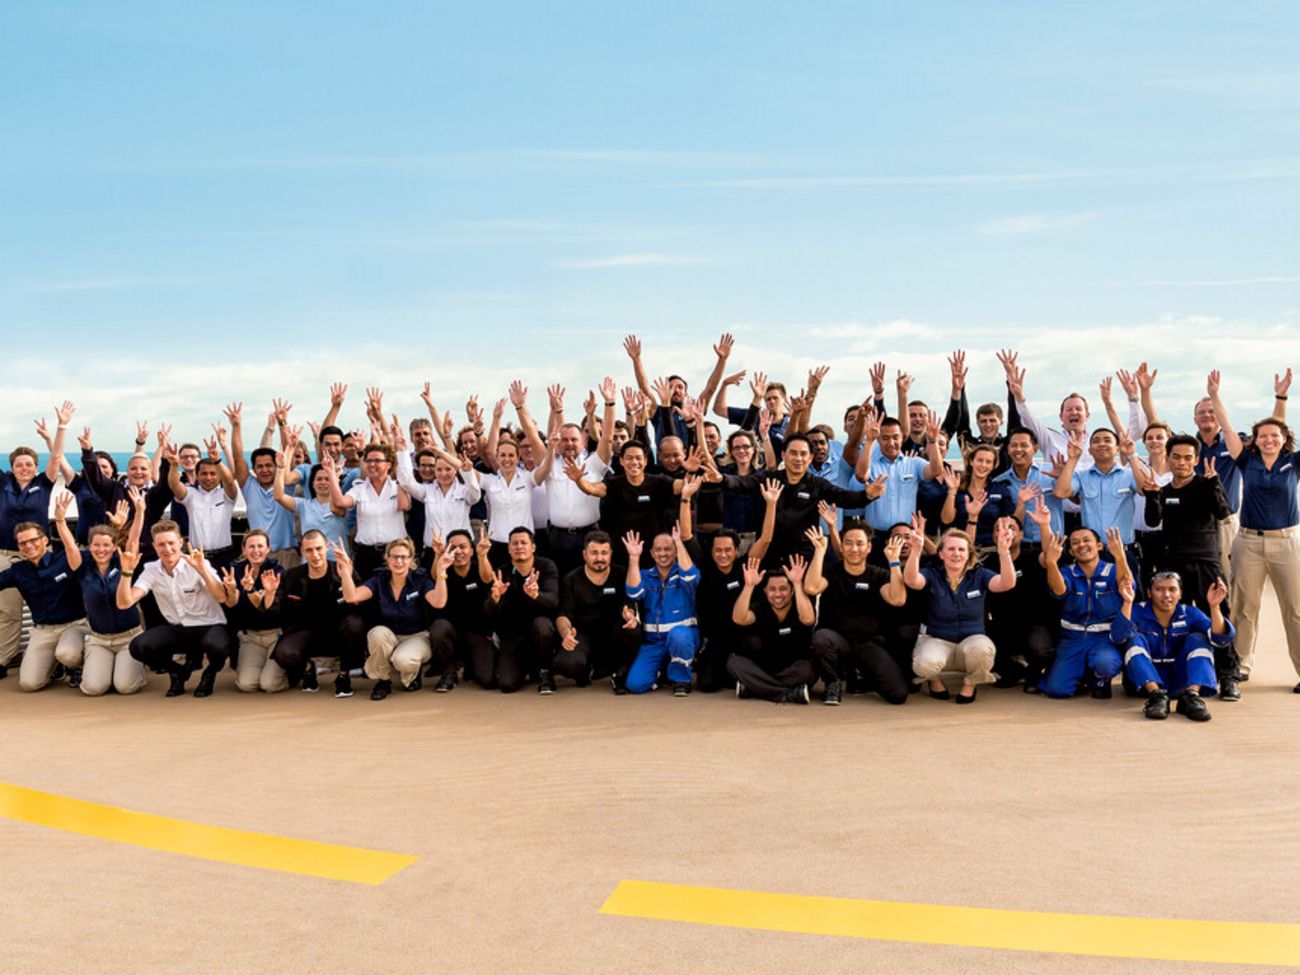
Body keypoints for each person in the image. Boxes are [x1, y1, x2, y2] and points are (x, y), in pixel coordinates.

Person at [1205, 371, 1300, 686]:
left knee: (1296, 611)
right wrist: (1215, 395)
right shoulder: (1247, 461)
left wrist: (1281, 397)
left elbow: (1278, 425)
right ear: (1255, 441)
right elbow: (1228, 427)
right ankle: (1241, 665)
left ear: (1285, 439)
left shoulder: (1293, 463)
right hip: (1248, 542)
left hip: (1287, 543)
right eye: (1263, 436)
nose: (1269, 439)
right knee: (1245, 607)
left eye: (1275, 436)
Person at [1144, 434, 1239, 698]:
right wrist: (1152, 495)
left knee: (1219, 615)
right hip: (1173, 565)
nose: (1182, 463)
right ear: (1168, 458)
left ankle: (1228, 676)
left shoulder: (1206, 485)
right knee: (1175, 619)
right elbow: (1152, 521)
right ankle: (1183, 672)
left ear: (1196, 460)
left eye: (1188, 458)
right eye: (1176, 457)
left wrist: (1215, 483)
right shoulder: (1164, 490)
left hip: (1206, 562)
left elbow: (1223, 512)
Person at [903, 519, 1017, 704]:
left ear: (968, 554)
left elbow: (1006, 583)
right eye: (951, 549)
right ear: (941, 554)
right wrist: (916, 550)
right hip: (938, 639)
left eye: (961, 549)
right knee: (924, 664)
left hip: (972, 639)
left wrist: (1004, 552)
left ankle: (970, 685)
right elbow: (912, 580)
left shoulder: (980, 575)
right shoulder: (932, 573)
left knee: (983, 649)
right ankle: (934, 680)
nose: (956, 553)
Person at [681, 478, 779, 692]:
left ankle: (745, 673)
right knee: (706, 685)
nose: (723, 555)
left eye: (728, 550)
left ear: (736, 551)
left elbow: (766, 539)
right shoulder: (706, 566)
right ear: (712, 551)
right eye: (718, 550)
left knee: (757, 646)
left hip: (744, 636)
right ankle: (729, 673)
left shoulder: (746, 565)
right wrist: (686, 498)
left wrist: (771, 505)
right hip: (716, 639)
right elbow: (687, 535)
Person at [118, 521, 233, 698]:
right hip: (178, 629)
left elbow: (221, 597)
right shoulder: (151, 569)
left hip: (208, 626)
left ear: (180, 542)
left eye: (171, 543)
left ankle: (210, 673)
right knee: (138, 647)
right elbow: (125, 603)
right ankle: (177, 671)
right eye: (161, 544)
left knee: (218, 647)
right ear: (155, 547)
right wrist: (126, 572)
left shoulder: (198, 563)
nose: (167, 549)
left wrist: (202, 570)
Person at [0, 401, 73, 679]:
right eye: (19, 464)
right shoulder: (3, 484)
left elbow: (56, 458)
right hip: (7, 555)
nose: (25, 468)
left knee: (52, 602)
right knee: (8, 612)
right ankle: (4, 659)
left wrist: (60, 426)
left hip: (42, 554)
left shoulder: (43, 483)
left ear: (35, 466)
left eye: (29, 464)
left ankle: (62, 658)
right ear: (12, 467)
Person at [54, 487, 149, 696]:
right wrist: (60, 521)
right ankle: (96, 666)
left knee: (125, 687)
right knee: (93, 689)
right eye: (96, 545)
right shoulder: (82, 568)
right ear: (90, 547)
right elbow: (70, 547)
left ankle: (134, 669)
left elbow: (133, 540)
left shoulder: (124, 562)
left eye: (106, 545)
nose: (101, 550)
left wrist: (140, 511)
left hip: (128, 637)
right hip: (99, 639)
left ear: (115, 547)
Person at [805, 521, 909, 706]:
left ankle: (860, 674)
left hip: (868, 643)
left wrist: (894, 561)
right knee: (821, 638)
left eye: (860, 543)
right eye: (848, 543)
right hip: (837, 642)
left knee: (898, 694)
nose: (854, 549)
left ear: (869, 547)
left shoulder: (879, 575)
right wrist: (820, 552)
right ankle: (832, 682)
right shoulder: (832, 571)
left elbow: (898, 599)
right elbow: (812, 588)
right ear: (842, 547)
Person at [1113, 571, 1234, 722]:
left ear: (1180, 594)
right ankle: (1156, 697)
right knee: (1134, 639)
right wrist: (1127, 603)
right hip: (1144, 686)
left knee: (1199, 639)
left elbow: (1220, 639)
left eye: (1172, 589)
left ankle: (1191, 697)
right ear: (1149, 593)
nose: (1166, 595)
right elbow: (1117, 637)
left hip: (1180, 684)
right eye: (1159, 589)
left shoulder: (1189, 612)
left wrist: (1215, 607)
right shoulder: (1136, 610)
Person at [0, 493, 89, 691]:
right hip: (44, 630)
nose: (29, 545)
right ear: (19, 547)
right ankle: (55, 666)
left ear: (45, 540)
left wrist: (61, 520)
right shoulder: (18, 571)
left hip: (75, 625)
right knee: (29, 684)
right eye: (23, 543)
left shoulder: (66, 559)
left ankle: (77, 666)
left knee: (68, 654)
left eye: (33, 540)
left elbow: (99, 555)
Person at [338, 537, 446, 700]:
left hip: (417, 636)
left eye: (403, 557)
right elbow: (352, 596)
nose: (399, 561)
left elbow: (438, 602)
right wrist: (346, 572)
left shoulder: (420, 579)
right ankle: (383, 680)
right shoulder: (378, 580)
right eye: (394, 556)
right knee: (377, 633)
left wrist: (441, 574)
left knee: (402, 660)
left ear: (411, 559)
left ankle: (411, 674)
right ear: (387, 559)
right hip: (390, 636)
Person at [268, 530, 366, 698]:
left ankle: (344, 675)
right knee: (284, 653)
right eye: (309, 550)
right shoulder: (291, 576)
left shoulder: (342, 570)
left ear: (327, 547)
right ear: (302, 551)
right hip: (305, 633)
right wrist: (268, 593)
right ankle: (307, 668)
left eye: (319, 548)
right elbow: (276, 610)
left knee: (355, 624)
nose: (315, 555)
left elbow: (360, 603)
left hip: (339, 633)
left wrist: (347, 577)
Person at [1039, 526, 1132, 699]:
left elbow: (1127, 585)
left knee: (1105, 664)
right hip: (1073, 639)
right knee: (1057, 690)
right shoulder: (1068, 572)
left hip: (1103, 639)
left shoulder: (1112, 570)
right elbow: (1059, 590)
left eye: (1086, 540)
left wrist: (1120, 556)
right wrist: (1051, 563)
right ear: (1072, 551)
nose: (1081, 545)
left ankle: (1098, 677)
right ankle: (1078, 673)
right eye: (1075, 543)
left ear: (1099, 546)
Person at [555, 530, 641, 692]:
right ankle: (588, 671)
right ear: (584, 554)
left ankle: (620, 671)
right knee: (567, 663)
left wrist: (630, 615)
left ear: (611, 554)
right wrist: (566, 633)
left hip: (613, 633)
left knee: (633, 630)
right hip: (582, 635)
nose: (599, 558)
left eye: (604, 553)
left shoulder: (622, 574)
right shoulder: (571, 579)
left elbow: (630, 603)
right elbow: (563, 614)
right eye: (594, 553)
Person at [983, 510, 1058, 693]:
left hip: (1035, 623)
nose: (1005, 532)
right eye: (998, 528)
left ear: (1021, 534)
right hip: (1002, 625)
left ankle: (1034, 672)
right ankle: (1014, 671)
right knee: (980, 648)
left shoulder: (1032, 556)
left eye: (1011, 527)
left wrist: (1044, 525)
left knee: (1040, 649)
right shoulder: (988, 562)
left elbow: (1050, 557)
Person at [481, 527, 560, 693]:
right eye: (514, 544)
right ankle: (526, 665)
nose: (519, 547)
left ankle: (545, 672)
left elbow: (553, 602)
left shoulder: (546, 566)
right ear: (509, 549)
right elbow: (486, 612)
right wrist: (495, 598)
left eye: (524, 542)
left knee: (542, 626)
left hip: (539, 630)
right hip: (513, 635)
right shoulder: (501, 572)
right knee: (507, 685)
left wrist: (536, 595)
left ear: (533, 547)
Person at [729, 554, 817, 704]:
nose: (777, 594)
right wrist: (749, 586)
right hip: (764, 668)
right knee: (734, 663)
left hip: (793, 669)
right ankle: (788, 694)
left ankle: (755, 688)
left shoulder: (800, 606)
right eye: (772, 589)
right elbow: (739, 618)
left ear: (792, 591)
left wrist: (797, 582)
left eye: (783, 589)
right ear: (765, 591)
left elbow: (808, 619)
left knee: (810, 669)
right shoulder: (760, 607)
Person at [623, 526, 699, 695]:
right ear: (651, 553)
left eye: (668, 549)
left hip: (683, 636)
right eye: (658, 549)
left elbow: (691, 577)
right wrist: (634, 558)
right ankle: (662, 673)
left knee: (679, 636)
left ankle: (682, 680)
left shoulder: (683, 571)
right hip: (654, 642)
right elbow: (634, 592)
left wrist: (679, 543)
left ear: (675, 552)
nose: (663, 554)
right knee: (635, 685)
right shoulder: (644, 574)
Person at [222, 403, 300, 567]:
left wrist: (282, 424)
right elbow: (237, 457)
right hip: (258, 555)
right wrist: (236, 426)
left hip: (287, 554)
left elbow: (287, 451)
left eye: (269, 465)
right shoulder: (249, 486)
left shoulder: (285, 484)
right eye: (260, 466)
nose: (264, 470)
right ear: (254, 469)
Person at [425, 527, 496, 692]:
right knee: (438, 628)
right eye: (453, 547)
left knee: (487, 679)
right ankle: (448, 672)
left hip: (478, 633)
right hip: (451, 632)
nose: (458, 551)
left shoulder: (480, 567)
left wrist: (483, 554)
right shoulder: (444, 571)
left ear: (472, 550)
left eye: (463, 547)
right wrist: (438, 554)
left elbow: (487, 578)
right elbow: (436, 576)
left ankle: (470, 664)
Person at [327, 441, 411, 579]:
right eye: (368, 460)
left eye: (377, 460)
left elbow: (404, 506)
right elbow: (340, 502)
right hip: (366, 554)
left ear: (389, 464)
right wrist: (331, 475)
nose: (372, 464)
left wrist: (400, 477)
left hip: (395, 553)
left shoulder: (398, 486)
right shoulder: (359, 488)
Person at [217, 530, 286, 693]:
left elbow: (263, 606)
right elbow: (231, 603)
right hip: (250, 637)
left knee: (269, 685)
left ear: (268, 548)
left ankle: (292, 673)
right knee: (246, 685)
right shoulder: (235, 569)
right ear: (244, 549)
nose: (256, 550)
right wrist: (232, 589)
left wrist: (250, 589)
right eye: (251, 546)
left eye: (260, 546)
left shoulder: (275, 570)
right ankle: (262, 666)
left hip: (275, 635)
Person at [166, 436, 239, 571]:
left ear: (219, 476)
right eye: (204, 473)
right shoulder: (191, 495)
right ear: (198, 475)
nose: (208, 477)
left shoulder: (227, 495)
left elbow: (229, 481)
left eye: (213, 473)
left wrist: (217, 460)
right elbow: (174, 484)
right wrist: (174, 465)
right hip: (197, 557)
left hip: (224, 556)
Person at [273, 446, 351, 560]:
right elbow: (279, 496)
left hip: (338, 562)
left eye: (327, 479)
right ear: (313, 483)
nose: (323, 482)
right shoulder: (303, 505)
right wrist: (280, 468)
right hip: (310, 563)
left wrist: (334, 476)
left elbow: (337, 508)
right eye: (319, 479)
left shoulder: (342, 503)